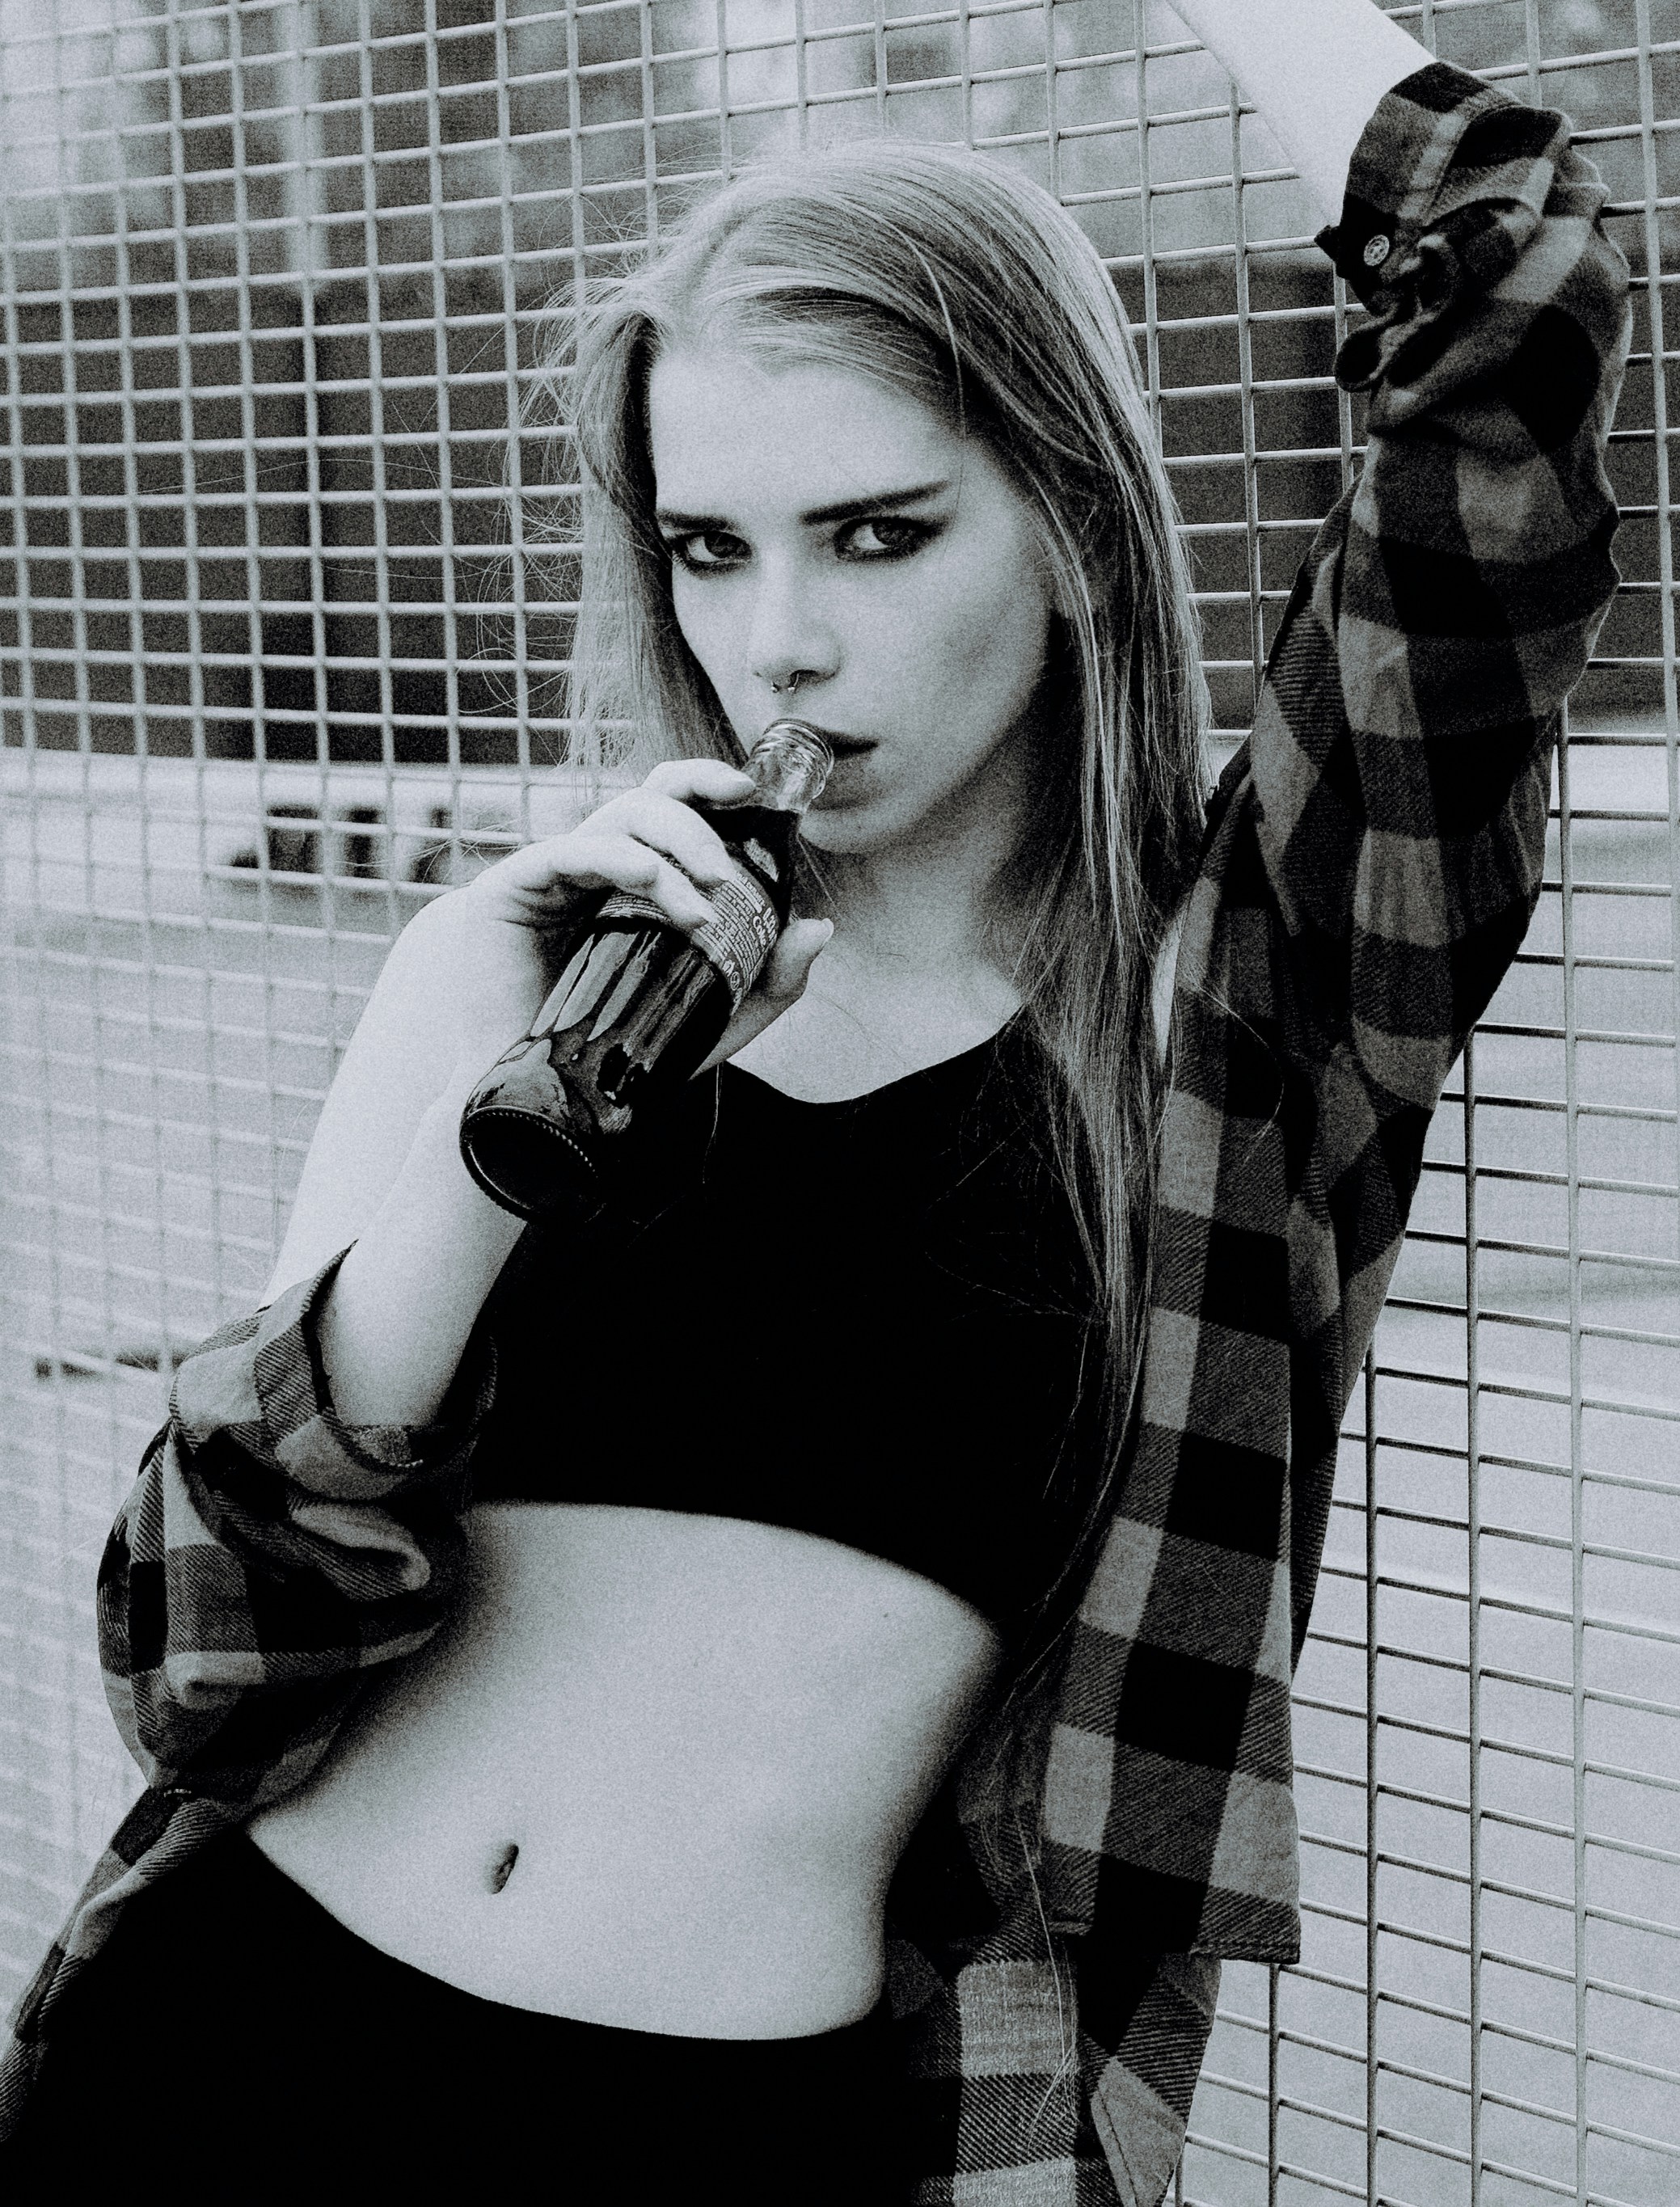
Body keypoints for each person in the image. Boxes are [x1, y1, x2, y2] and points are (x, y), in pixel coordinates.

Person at [0, 0, 1629, 2197]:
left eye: (876, 536)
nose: (777, 642)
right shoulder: (535, 957)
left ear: (1067, 524)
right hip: (221, 2053)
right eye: (710, 546)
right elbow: (204, 1655)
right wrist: (499, 1138)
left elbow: (1515, 285)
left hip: (733, 2128)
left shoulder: (1243, 1003)